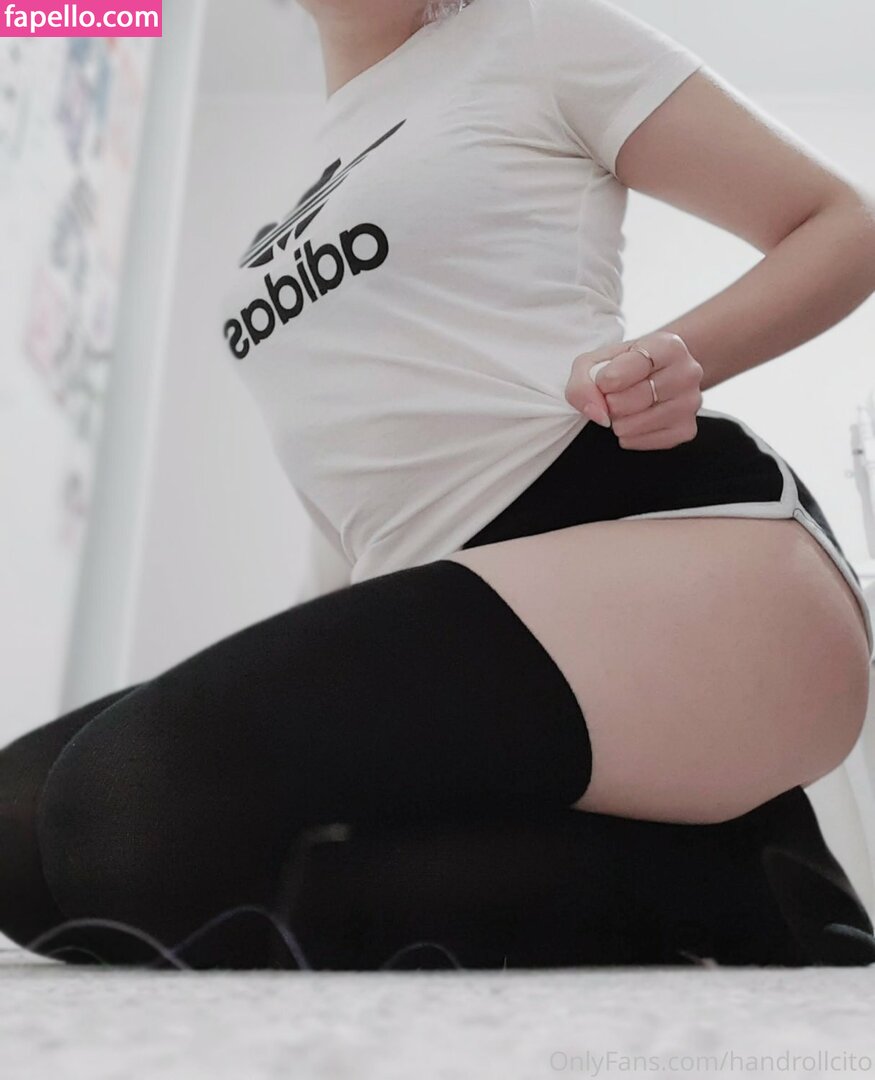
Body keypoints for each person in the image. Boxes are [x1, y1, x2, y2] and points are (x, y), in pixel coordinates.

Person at [3, 0, 875, 971]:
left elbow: (840, 220)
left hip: (669, 549)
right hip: (449, 599)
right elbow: (355, 484)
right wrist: (272, 671)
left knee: (126, 816)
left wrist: (681, 354)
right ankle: (707, 865)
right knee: (23, 831)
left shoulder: (535, 35)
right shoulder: (309, 163)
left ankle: (740, 893)